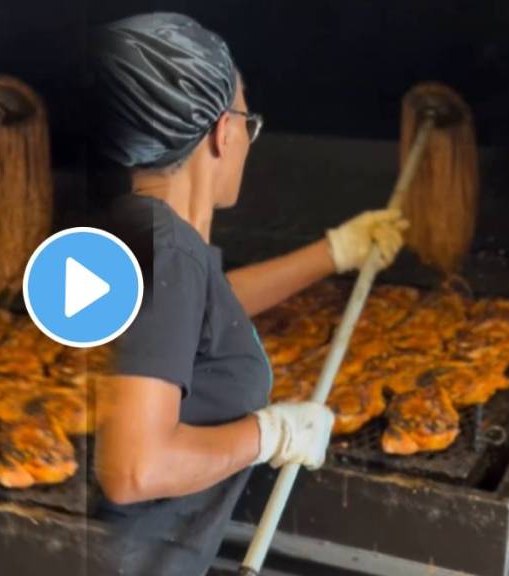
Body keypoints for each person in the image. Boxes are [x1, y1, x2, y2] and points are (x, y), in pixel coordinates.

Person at [90, 14, 409, 575]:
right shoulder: (169, 250)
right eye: (247, 119)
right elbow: (134, 469)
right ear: (222, 130)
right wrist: (268, 434)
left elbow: (192, 323)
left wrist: (333, 252)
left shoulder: (138, 233)